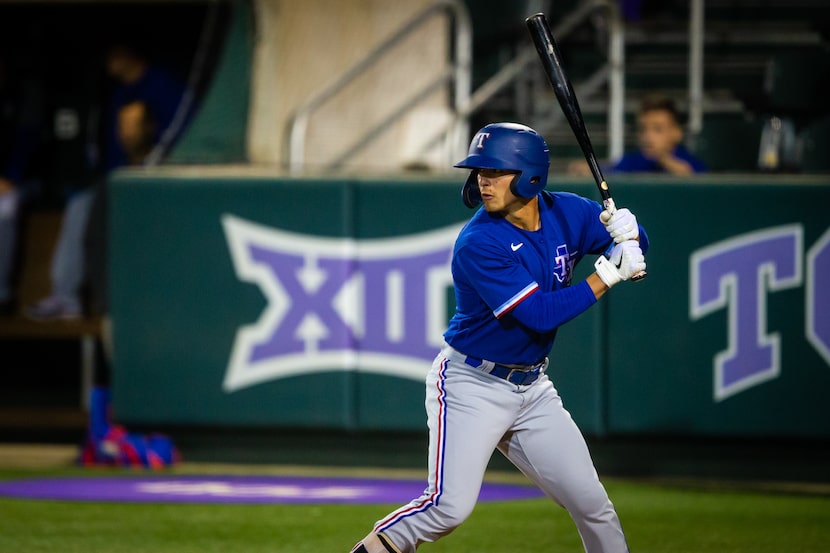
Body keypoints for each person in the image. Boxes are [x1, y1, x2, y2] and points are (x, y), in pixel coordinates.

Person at [349, 122, 648, 553]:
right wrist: (603, 278)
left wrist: (631, 233)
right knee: (447, 508)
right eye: (479, 171)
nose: (482, 181)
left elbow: (636, 255)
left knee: (592, 504)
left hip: (532, 389)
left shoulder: (570, 212)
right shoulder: (479, 241)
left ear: (530, 175)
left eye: (494, 171)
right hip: (472, 385)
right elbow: (537, 315)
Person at [25, 42, 186, 320]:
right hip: (123, 179)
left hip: (163, 178)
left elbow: (183, 134)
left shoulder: (164, 86)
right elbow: (115, 154)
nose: (125, 130)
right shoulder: (120, 93)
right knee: (83, 205)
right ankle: (68, 298)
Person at [570, 94, 706, 176]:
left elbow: (691, 176)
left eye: (657, 129)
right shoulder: (634, 161)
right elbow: (611, 171)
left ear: (676, 133)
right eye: (643, 129)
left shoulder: (690, 162)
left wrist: (665, 160)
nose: (648, 136)